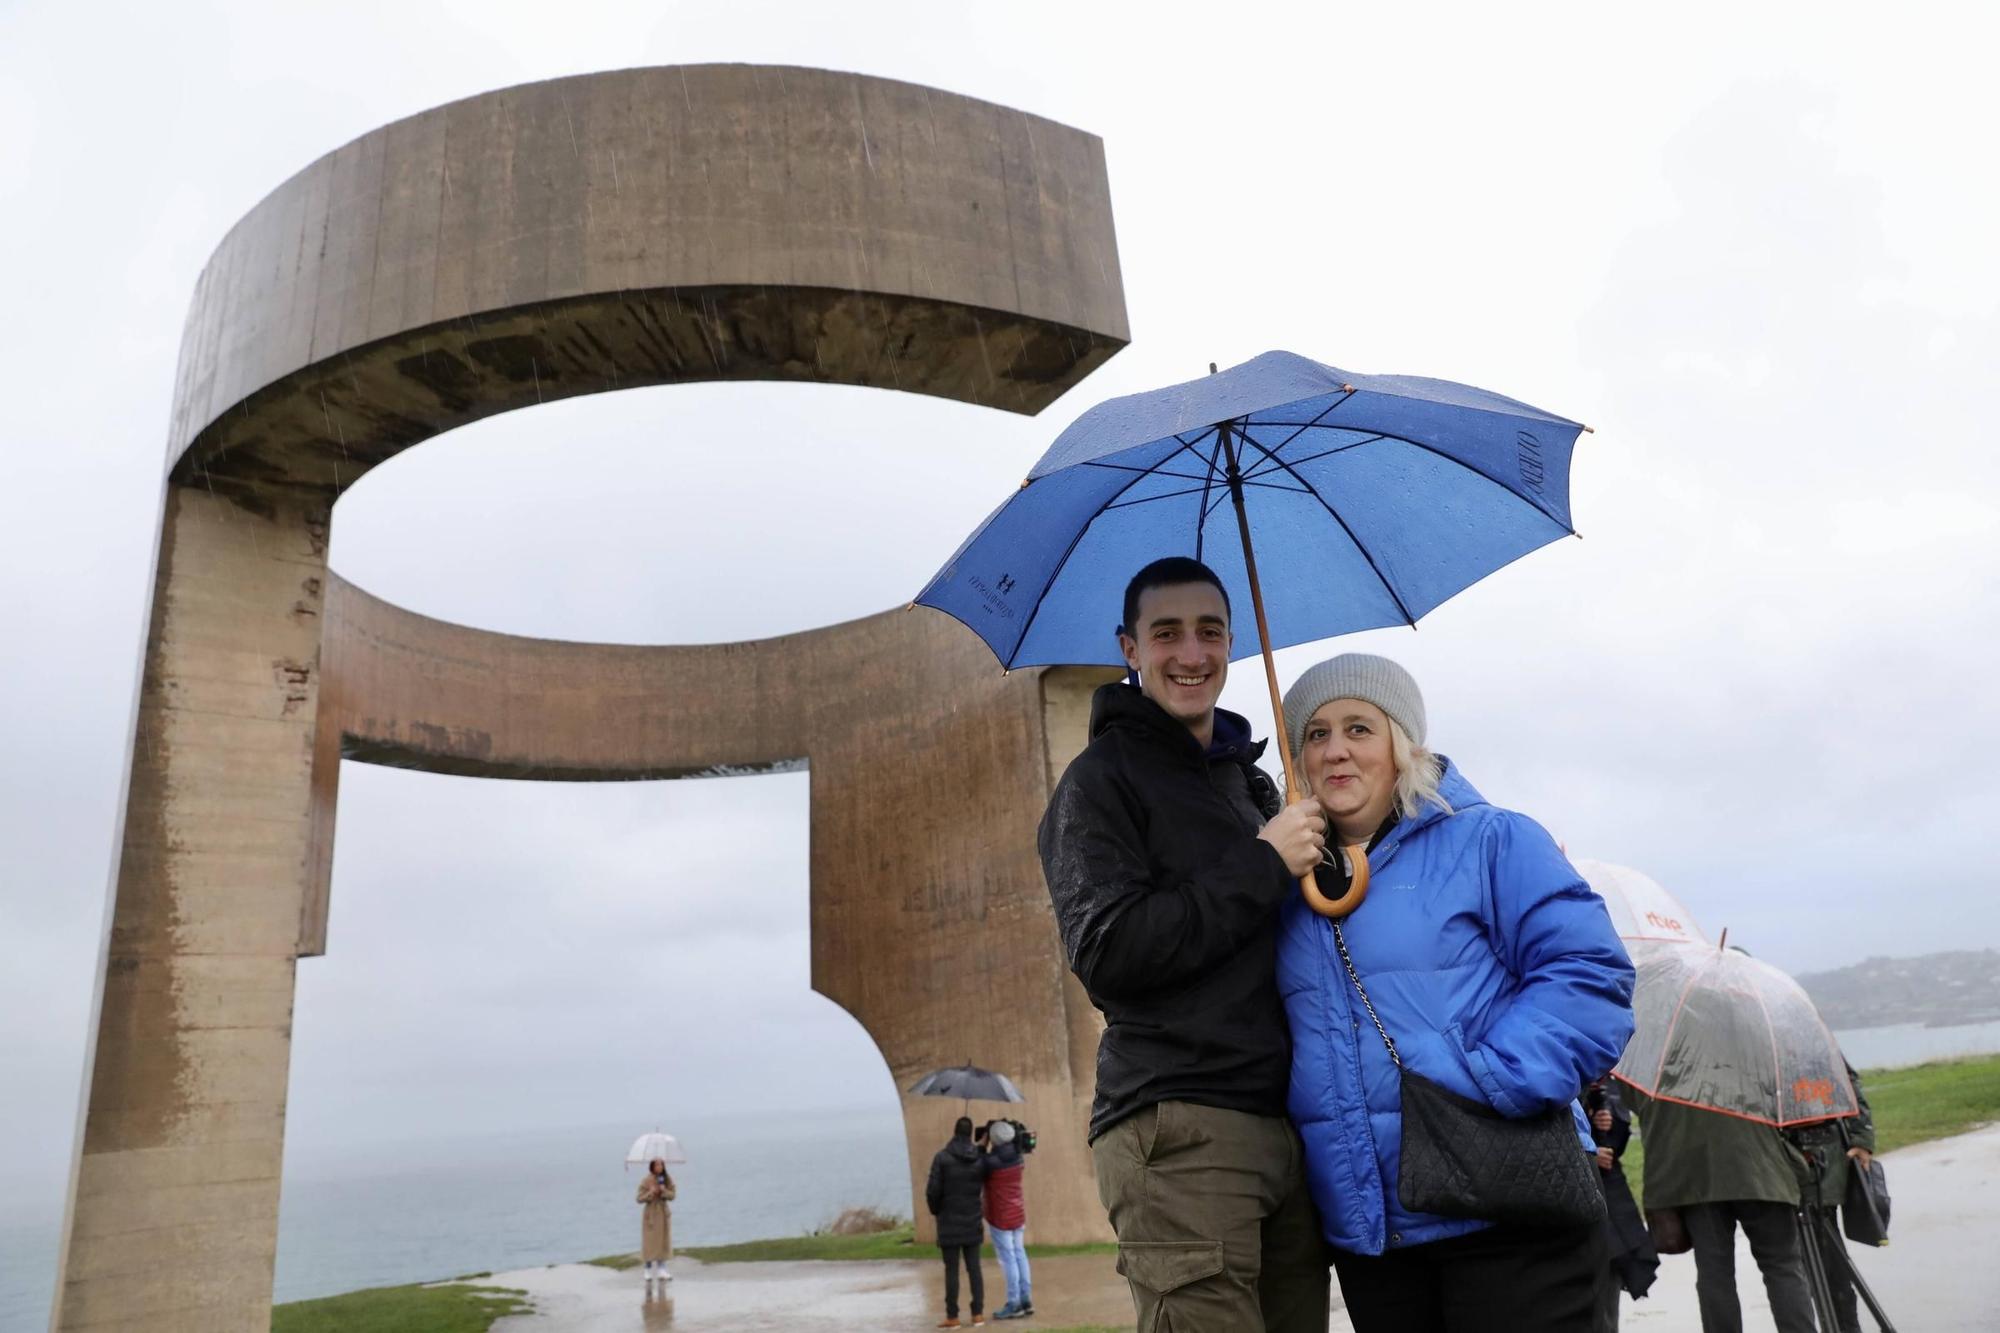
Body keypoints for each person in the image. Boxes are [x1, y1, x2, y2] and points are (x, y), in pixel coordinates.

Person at [1275, 653, 1636, 1333]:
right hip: (1376, 1239)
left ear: (1402, 741)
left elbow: (1590, 974)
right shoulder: (1289, 889)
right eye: (1316, 734)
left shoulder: (1490, 838)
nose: (1336, 749)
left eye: (1359, 726)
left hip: (1507, 1204)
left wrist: (1487, 1082)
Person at [1039, 556, 1332, 1333]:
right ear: (1129, 649)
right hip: (1181, 1126)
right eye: (1166, 633)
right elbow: (1110, 951)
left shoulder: (1251, 785)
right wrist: (1263, 862)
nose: (1191, 653)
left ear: (1233, 642)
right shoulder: (1097, 784)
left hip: (1285, 1125)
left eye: (1209, 631)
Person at [1623, 1086, 1817, 1333]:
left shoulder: (1669, 1057)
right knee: (1783, 1267)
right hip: (1764, 1171)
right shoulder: (1758, 1050)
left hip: (1699, 1179)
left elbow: (1635, 1097)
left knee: (1715, 1274)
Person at [1789, 1059, 1877, 1333]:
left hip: (1820, 1168)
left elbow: (1847, 1082)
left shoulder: (1810, 1034)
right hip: (1783, 1165)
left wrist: (1862, 1139)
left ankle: (1844, 1327)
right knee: (1796, 1268)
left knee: (1830, 1263)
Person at [1586, 1074, 1658, 1330]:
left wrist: (1609, 1124)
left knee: (1614, 1268)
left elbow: (1620, 1143)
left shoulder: (1611, 1083)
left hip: (1611, 1194)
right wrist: (1587, 1154)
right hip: (1577, 1199)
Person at [926, 1115, 991, 1328]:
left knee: (951, 1270)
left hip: (948, 1221)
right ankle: (978, 1314)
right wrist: (982, 1147)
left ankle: (952, 1316)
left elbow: (933, 1191)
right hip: (972, 1220)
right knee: (975, 1268)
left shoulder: (942, 1158)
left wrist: (937, 1211)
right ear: (970, 1133)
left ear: (955, 1132)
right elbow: (985, 1181)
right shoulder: (979, 1159)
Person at [981, 1120, 1034, 1320]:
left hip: (999, 1218)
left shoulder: (990, 1162)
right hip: (1017, 1213)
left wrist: (981, 1145)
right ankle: (1026, 1299)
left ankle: (1014, 1303)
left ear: (993, 1139)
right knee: (1020, 1254)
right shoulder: (1018, 1157)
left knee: (1008, 1259)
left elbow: (979, 1166)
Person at [635, 1158, 675, 1288]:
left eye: (662, 1164)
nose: (660, 1167)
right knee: (650, 1242)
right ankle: (647, 1269)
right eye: (657, 1165)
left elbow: (673, 1195)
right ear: (652, 1167)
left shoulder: (667, 1179)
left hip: (663, 1213)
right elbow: (639, 1198)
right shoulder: (646, 1180)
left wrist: (664, 1191)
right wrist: (650, 1192)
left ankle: (661, 1269)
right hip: (651, 1214)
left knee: (662, 1241)